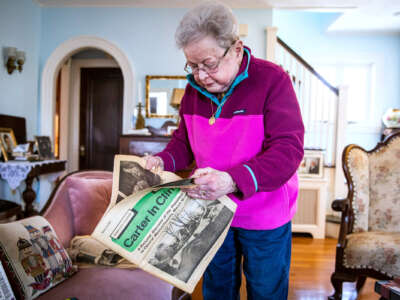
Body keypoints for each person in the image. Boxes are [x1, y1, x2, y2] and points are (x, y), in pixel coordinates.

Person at [145, 1, 304, 299]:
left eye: (209, 64)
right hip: (212, 213)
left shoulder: (273, 80)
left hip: (265, 214)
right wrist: (161, 160)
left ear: (236, 49)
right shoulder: (193, 90)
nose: (201, 75)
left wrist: (231, 180)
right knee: (217, 291)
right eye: (192, 65)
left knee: (266, 293)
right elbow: (184, 142)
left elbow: (288, 151)